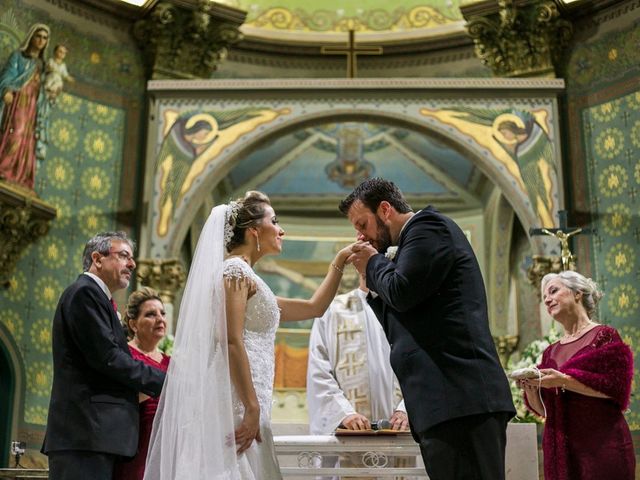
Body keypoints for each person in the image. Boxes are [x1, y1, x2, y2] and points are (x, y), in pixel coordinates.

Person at [145, 191, 354, 480]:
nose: (281, 230)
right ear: (254, 230)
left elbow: (314, 308)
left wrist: (341, 260)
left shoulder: (250, 278)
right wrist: (252, 406)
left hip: (250, 401)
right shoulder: (234, 272)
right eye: (275, 221)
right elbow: (230, 340)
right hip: (237, 402)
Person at [340, 177, 515, 480]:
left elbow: (402, 290)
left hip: (462, 398)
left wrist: (372, 264)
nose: (360, 236)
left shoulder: (428, 227)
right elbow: (399, 324)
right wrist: (370, 288)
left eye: (362, 224)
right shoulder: (407, 246)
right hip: (442, 401)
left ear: (385, 210)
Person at [42, 232, 166, 480]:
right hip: (84, 435)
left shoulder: (98, 298)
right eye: (123, 256)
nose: (131, 264)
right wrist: (167, 381)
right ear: (97, 259)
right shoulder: (84, 293)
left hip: (95, 436)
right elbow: (108, 357)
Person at [520, 271, 635, 480]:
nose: (547, 299)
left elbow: (616, 389)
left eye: (553, 291)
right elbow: (545, 411)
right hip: (562, 450)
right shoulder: (550, 352)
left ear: (577, 293)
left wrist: (563, 380)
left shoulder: (604, 335)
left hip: (602, 446)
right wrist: (530, 387)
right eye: (544, 296)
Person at [307, 274, 408, 434]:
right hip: (349, 432)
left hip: (399, 430)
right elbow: (318, 370)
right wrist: (344, 413)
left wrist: (406, 409)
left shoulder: (408, 311)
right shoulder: (333, 310)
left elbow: (424, 368)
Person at [114, 287, 170, 480]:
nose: (160, 319)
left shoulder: (171, 363)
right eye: (151, 314)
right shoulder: (124, 356)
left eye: (162, 313)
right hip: (132, 444)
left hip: (165, 446)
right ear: (134, 324)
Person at [0, 23, 51, 189]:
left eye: (45, 38)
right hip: (18, 102)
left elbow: (47, 88)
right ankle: (4, 167)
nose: (41, 40)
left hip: (32, 107)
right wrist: (6, 89)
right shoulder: (19, 56)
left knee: (27, 139)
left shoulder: (43, 65)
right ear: (31, 37)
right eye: (38, 36)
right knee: (16, 133)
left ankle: (18, 174)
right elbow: (8, 74)